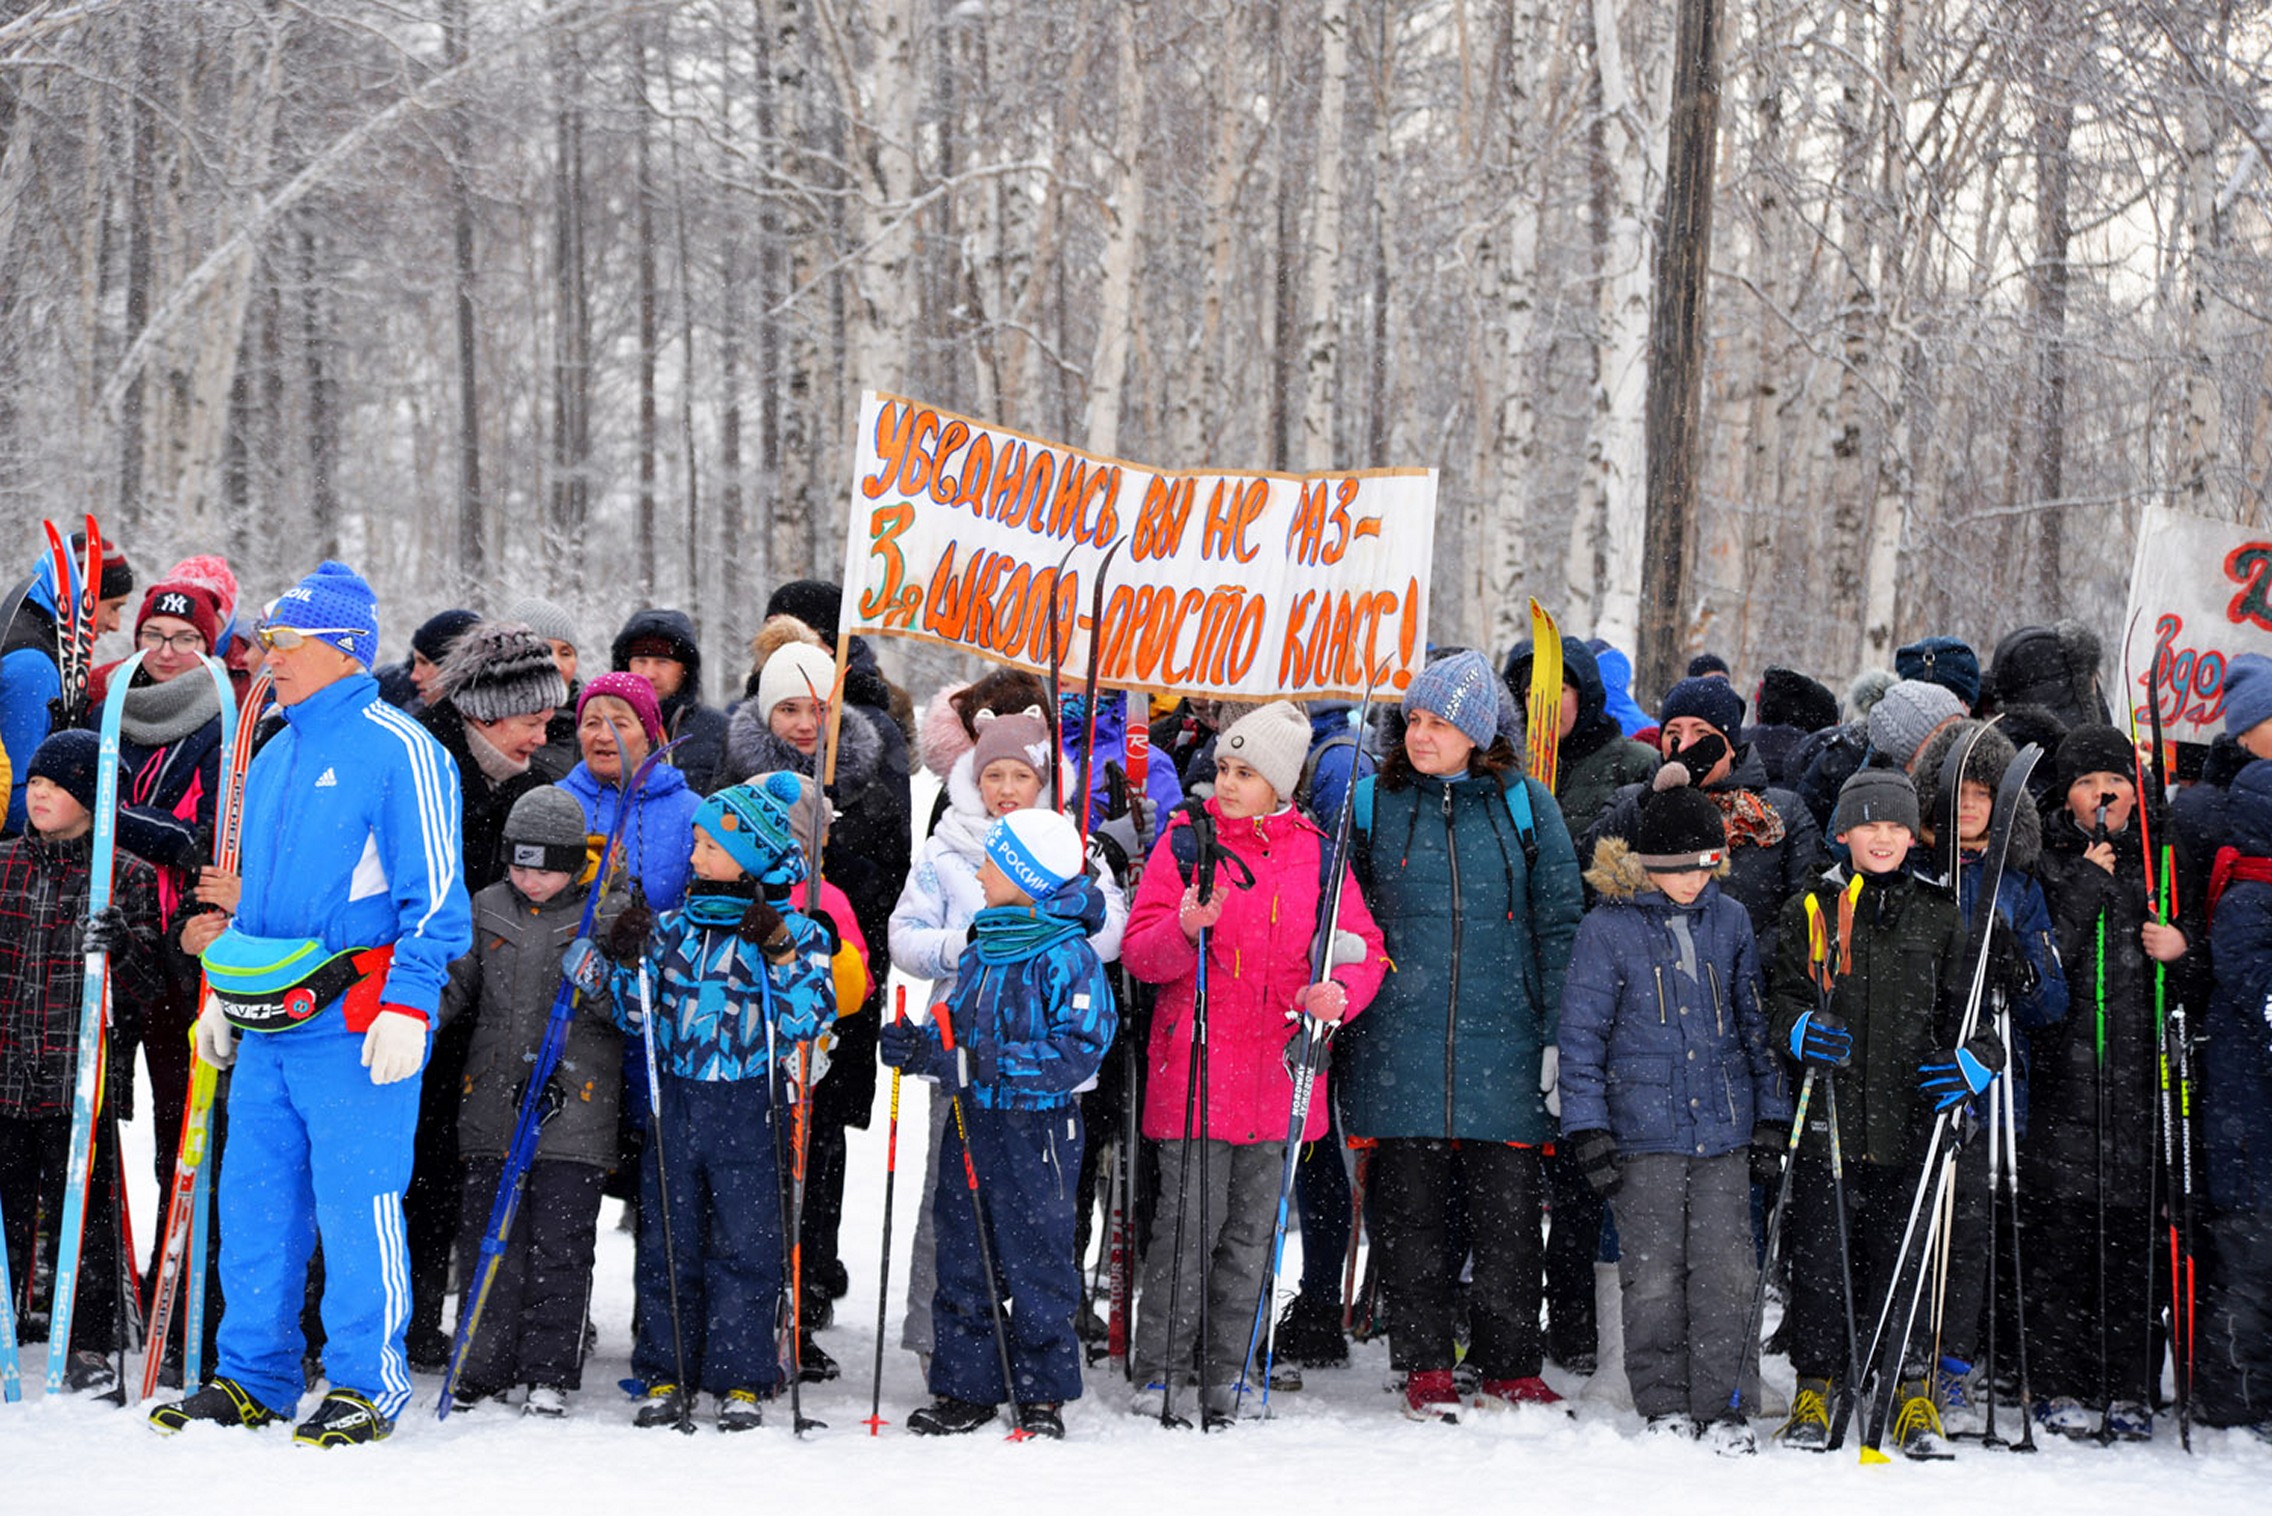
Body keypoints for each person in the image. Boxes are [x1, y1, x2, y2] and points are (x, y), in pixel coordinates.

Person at [149, 560, 472, 1446]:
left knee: (356, 1203)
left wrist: (411, 1003)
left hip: (359, 1024)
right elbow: (252, 901)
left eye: (284, 641)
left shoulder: (400, 748)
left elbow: (436, 898)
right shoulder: (279, 748)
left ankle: (367, 1383)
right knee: (255, 1203)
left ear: (342, 650)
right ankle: (253, 1374)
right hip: (267, 1024)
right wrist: (221, 993)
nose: (266, 655)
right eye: (263, 638)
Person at [1120, 701, 1387, 1424]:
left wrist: (1338, 992)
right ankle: (1162, 1371)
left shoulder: (1318, 854)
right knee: (1185, 1233)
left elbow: (1364, 950)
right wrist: (1182, 926)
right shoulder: (1185, 843)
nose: (1227, 783)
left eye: (1246, 772)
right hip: (1197, 1075)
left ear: (1283, 783)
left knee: (1250, 1238)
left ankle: (1230, 1369)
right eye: (1225, 768)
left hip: (1280, 1079)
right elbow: (1142, 955)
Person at [1335, 648, 1583, 1421]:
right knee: (1410, 1220)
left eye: (1438, 722)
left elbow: (1560, 921)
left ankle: (1510, 1361)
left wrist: (1555, 1037)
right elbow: (1341, 916)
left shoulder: (1526, 805)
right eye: (1412, 719)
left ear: (1477, 732)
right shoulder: (1371, 803)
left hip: (1502, 1045)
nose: (1420, 734)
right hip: (1397, 1045)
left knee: (1508, 1219)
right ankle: (1425, 1363)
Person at [1557, 766, 1789, 1453]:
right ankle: (1661, 1400)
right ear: (1647, 862)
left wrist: (1771, 1115)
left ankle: (1727, 1404)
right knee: (1653, 1273)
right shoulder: (1606, 931)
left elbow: (1755, 1025)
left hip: (1723, 1131)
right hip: (1642, 1134)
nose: (1694, 881)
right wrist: (1589, 1128)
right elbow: (1581, 1036)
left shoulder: (1733, 920)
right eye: (1679, 868)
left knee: (1729, 1270)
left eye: (1707, 866)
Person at [888, 706, 1126, 1367]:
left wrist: (1061, 910)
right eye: (991, 773)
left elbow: (1094, 981)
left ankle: (1040, 1374)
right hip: (969, 1090)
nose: (1004, 787)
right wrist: (924, 1044)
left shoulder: (1068, 860)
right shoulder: (949, 849)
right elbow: (912, 946)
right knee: (960, 1229)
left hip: (1041, 1107)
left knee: (1037, 1242)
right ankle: (960, 1367)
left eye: (1019, 774)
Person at [598, 780, 836, 1431]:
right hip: (677, 1102)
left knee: (745, 1242)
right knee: (670, 1239)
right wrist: (626, 959)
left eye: (710, 846)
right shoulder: (673, 930)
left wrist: (782, 951)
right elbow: (632, 1015)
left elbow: (810, 1016)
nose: (696, 856)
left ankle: (740, 1373)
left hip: (750, 1104)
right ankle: (666, 1368)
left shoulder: (795, 932)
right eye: (697, 842)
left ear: (752, 857)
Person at [1767, 768, 1989, 1458]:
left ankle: (1908, 1385)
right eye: (1870, 825)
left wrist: (1975, 1062)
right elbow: (1778, 995)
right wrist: (1799, 1029)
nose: (1884, 837)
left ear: (1913, 835)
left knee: (1910, 1259)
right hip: (1829, 1119)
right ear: (1844, 833)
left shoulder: (1939, 913)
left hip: (1912, 1122)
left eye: (1896, 825)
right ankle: (1818, 1381)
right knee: (1823, 1262)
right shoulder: (1811, 904)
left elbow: (1974, 1012)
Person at [724, 636, 910, 1334]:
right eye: (790, 709)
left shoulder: (869, 788)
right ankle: (749, 1288)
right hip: (750, 1000)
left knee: (822, 1145)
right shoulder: (735, 781)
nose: (805, 724)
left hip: (838, 993)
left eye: (818, 709)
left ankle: (808, 1286)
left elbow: (889, 894)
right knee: (754, 1149)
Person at [400, 621, 572, 1369]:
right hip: (404, 989)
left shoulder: (529, 789)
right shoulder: (418, 760)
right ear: (488, 711)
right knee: (390, 1167)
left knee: (443, 1165)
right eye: (533, 722)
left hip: (483, 1004)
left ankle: (421, 1319)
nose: (543, 738)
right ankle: (360, 1316)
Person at [2027, 722, 2202, 1440]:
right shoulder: (2045, 859)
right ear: (2067, 796)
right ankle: (2061, 1381)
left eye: (2117, 782)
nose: (2104, 794)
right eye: (2089, 783)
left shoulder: (2164, 858)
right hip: (2067, 1086)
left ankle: (2130, 1384)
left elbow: (2198, 979)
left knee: (2135, 1250)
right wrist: (2085, 887)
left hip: (2141, 1089)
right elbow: (2043, 966)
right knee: (2065, 1242)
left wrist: (2184, 952)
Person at [1904, 719, 2070, 1431]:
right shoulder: (1910, 873)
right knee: (1912, 1226)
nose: (1969, 806)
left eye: (1983, 794)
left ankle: (1954, 1366)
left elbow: (2051, 1002)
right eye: (1958, 792)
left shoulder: (2019, 887)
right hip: (1916, 1080)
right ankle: (1903, 1354)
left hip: (1991, 1086)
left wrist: (2021, 967)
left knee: (1969, 1232)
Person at [1504, 633, 1660, 1372]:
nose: (1546, 709)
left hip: (1598, 984)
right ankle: (1501, 1322)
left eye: (1557, 692)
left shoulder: (1632, 766)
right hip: (1509, 982)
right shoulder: (1493, 771)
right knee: (1504, 1175)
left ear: (1584, 694)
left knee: (1580, 1171)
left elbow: (1637, 876)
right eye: (1530, 695)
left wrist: (1569, 860)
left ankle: (1577, 1328)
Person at [440, 785, 619, 1418]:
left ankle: (549, 1370)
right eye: (519, 864)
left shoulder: (606, 911)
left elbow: (629, 1009)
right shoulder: (486, 906)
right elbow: (453, 987)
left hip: (577, 1106)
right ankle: (481, 1364)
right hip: (493, 1102)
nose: (530, 879)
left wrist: (602, 979)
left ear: (574, 863)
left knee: (562, 1244)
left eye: (545, 867)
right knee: (491, 1238)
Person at [0, 730, 169, 1392]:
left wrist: (121, 946)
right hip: (7, 1073)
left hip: (82, 1084)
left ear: (93, 799)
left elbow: (149, 986)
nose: (39, 792)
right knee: (8, 1210)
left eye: (57, 784)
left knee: (91, 1219)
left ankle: (88, 1343)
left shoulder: (125, 874)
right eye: (35, 782)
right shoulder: (5, 865)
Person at [1590, 674, 1823, 968]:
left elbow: (1806, 908)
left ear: (1730, 746)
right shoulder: (1630, 800)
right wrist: (1651, 800)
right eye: (1673, 732)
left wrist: (1743, 961)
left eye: (1701, 733)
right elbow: (1588, 871)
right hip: (1652, 986)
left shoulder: (1784, 810)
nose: (1685, 745)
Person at [2198, 743, 2272, 1440]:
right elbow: (2257, 986)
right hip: (2247, 1126)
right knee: (2249, 1266)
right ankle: (2232, 1393)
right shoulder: (2250, 897)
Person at [0, 533, 132, 833]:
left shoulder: (29, 629)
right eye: (113, 607)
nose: (116, 625)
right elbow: (17, 795)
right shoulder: (32, 663)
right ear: (80, 597)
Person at [611, 608, 728, 795]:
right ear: (626, 665)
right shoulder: (603, 728)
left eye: (662, 661)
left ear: (685, 669)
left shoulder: (720, 730)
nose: (649, 674)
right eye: (641, 660)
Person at [500, 595, 583, 775]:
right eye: (544, 651)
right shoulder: (491, 728)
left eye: (566, 653)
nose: (557, 665)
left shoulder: (593, 727)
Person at [376, 608, 480, 715]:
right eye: (414, 661)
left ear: (456, 669)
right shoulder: (393, 690)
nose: (414, 676)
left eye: (424, 663)